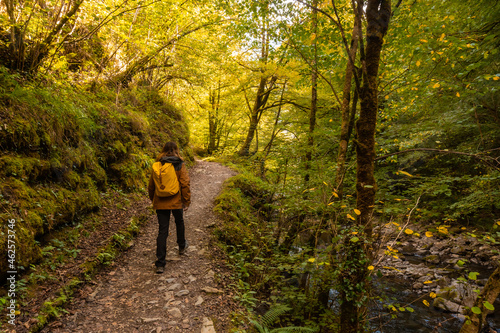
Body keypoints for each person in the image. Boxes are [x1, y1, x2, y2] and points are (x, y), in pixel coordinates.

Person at [148, 142, 191, 274]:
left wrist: (153, 199)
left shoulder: (158, 164)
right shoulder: (179, 164)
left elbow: (151, 185)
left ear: (163, 150)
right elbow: (185, 183)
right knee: (179, 222)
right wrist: (186, 201)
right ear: (176, 150)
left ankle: (160, 264)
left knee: (163, 231)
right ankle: (182, 246)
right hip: (176, 200)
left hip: (161, 201)